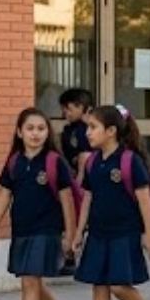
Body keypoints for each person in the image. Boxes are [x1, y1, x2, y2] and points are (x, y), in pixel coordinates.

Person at [0, 108, 80, 300]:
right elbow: (5, 194)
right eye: (30, 128)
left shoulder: (54, 161)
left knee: (29, 281)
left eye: (41, 128)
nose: (35, 134)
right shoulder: (14, 161)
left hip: (47, 230)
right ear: (19, 132)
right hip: (22, 230)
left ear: (48, 132)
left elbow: (67, 200)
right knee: (32, 282)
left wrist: (70, 234)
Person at [70, 106, 150, 300]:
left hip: (125, 233)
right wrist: (79, 232)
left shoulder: (129, 161)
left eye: (93, 127)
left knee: (119, 286)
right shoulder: (92, 162)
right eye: (87, 127)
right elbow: (87, 198)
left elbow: (144, 199)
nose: (88, 132)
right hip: (98, 233)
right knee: (99, 287)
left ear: (111, 131)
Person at [56, 88, 95, 276]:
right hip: (73, 177)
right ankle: (70, 257)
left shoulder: (84, 130)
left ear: (81, 108)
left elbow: (85, 157)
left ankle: (73, 257)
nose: (65, 112)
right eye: (64, 108)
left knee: (78, 219)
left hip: (83, 181)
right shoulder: (69, 130)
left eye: (69, 108)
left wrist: (79, 182)